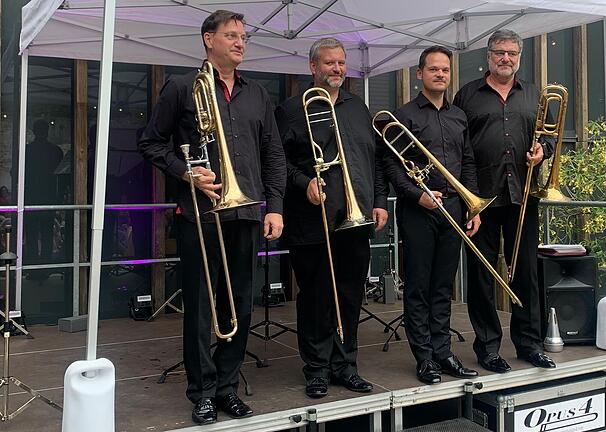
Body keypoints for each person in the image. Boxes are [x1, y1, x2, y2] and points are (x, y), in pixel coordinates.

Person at [138, 10, 286, 425]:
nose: (241, 42)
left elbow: (273, 154)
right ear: (208, 39)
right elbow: (150, 142)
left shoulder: (256, 93)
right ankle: (202, 391)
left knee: (240, 303)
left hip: (246, 210)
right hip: (200, 213)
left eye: (244, 37)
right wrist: (186, 172)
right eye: (232, 35)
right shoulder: (183, 87)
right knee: (202, 307)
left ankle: (227, 387)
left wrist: (274, 206)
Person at [275, 37, 389, 399]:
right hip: (312, 222)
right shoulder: (293, 109)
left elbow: (374, 160)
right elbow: (278, 163)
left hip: (354, 221)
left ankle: (345, 366)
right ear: (313, 67)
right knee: (316, 298)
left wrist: (379, 201)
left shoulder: (359, 107)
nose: (337, 69)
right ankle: (317, 369)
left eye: (341, 63)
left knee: (351, 295)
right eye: (329, 63)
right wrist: (304, 181)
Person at [453, 29, 556, 372]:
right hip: (481, 198)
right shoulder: (467, 95)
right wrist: (466, 198)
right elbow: (456, 146)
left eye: (512, 53)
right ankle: (488, 348)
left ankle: (529, 343)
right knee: (482, 275)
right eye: (500, 52)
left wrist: (544, 151)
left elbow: (551, 139)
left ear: (519, 57)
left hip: (523, 196)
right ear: (488, 55)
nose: (506, 58)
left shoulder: (535, 96)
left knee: (526, 271)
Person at [382, 46, 479, 385]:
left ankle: (443, 351)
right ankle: (423, 357)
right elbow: (392, 166)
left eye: (445, 70)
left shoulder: (458, 117)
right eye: (433, 69)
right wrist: (415, 195)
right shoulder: (403, 116)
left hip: (453, 206)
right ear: (420, 73)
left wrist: (472, 205)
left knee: (442, 286)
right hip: (419, 210)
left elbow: (467, 161)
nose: (440, 74)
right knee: (419, 287)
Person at [25, 119, 63, 277]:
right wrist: (60, 198)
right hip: (49, 197)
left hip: (31, 197)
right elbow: (62, 177)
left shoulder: (27, 150)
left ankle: (34, 269)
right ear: (47, 131)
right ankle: (45, 269)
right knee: (47, 235)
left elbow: (19, 174)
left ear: (34, 131)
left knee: (32, 235)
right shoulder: (55, 151)